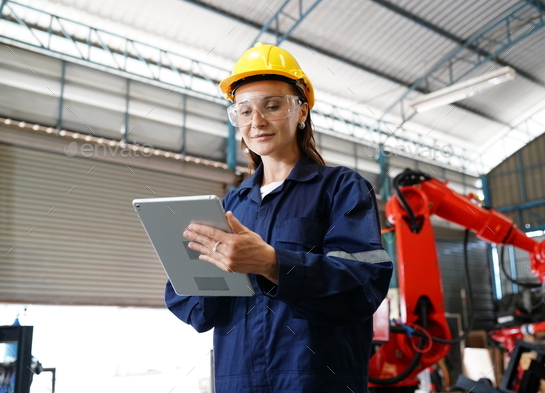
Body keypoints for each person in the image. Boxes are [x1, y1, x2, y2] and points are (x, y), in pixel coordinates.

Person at [165, 42, 393, 393]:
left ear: (301, 112)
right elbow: (193, 308)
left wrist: (273, 264)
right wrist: (203, 270)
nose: (256, 121)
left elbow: (364, 284)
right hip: (238, 382)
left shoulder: (341, 189)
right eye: (243, 111)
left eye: (272, 106)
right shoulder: (230, 205)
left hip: (315, 382)